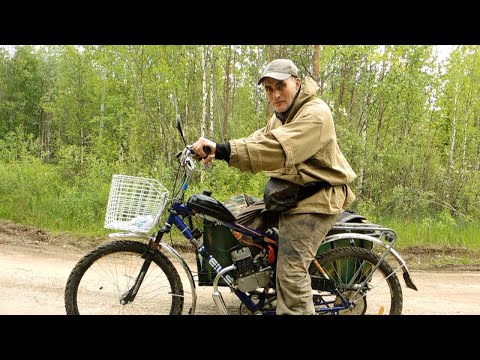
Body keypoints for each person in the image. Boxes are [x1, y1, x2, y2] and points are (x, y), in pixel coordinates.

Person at [191, 58, 357, 315]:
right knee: (241, 226)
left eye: (281, 85)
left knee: (291, 271)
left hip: (316, 199)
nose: (275, 94)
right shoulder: (281, 116)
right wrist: (219, 147)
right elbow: (259, 139)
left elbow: (276, 148)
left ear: (297, 83)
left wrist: (224, 150)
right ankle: (266, 288)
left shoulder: (315, 114)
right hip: (291, 194)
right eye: (268, 89)